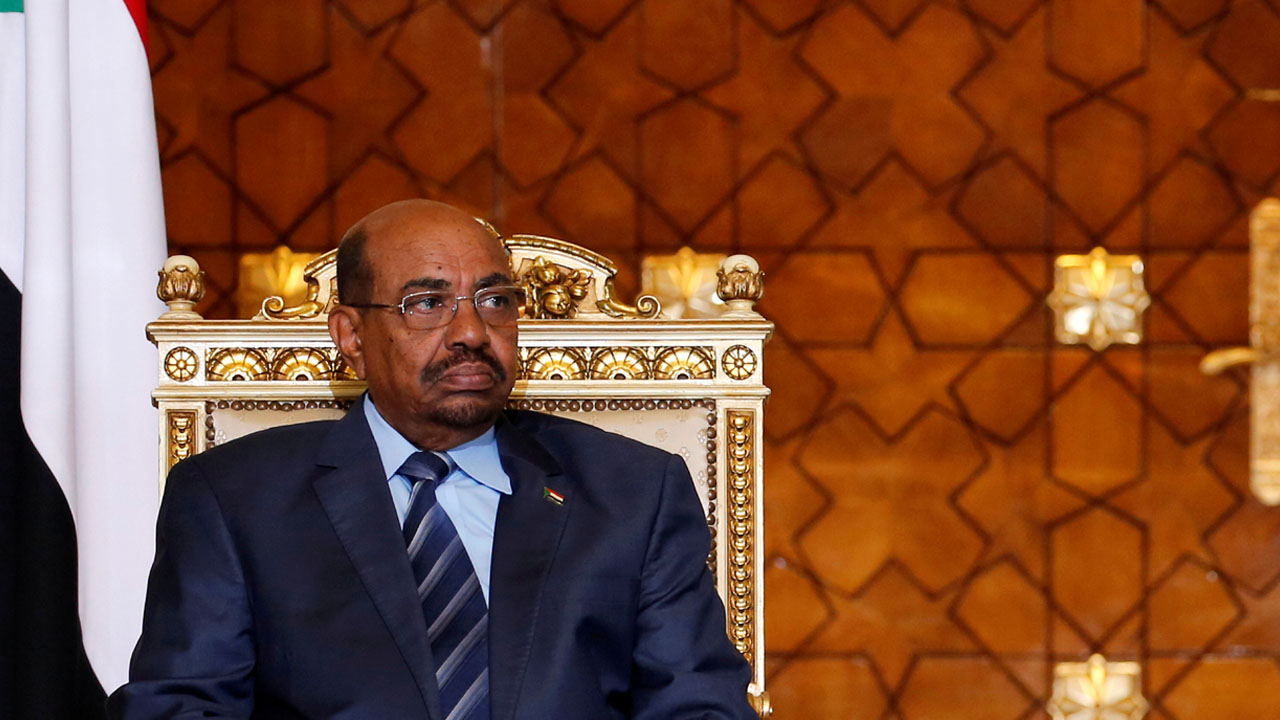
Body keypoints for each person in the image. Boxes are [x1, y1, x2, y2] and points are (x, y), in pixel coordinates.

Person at [107, 200, 756, 719]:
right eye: (427, 304)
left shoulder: (633, 493)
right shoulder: (235, 500)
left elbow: (699, 706)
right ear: (351, 337)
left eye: (495, 301)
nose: (472, 333)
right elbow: (180, 707)